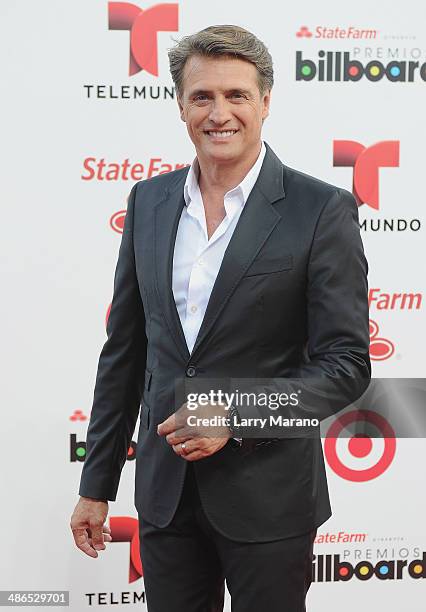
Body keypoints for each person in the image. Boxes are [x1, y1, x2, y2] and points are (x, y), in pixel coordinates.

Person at [71, 25, 371, 611]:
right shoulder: (149, 202)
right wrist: (96, 486)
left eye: (237, 95)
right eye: (203, 96)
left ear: (265, 102)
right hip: (165, 496)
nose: (220, 113)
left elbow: (346, 366)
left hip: (270, 496)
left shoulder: (321, 210)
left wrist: (233, 414)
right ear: (181, 105)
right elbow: (126, 355)